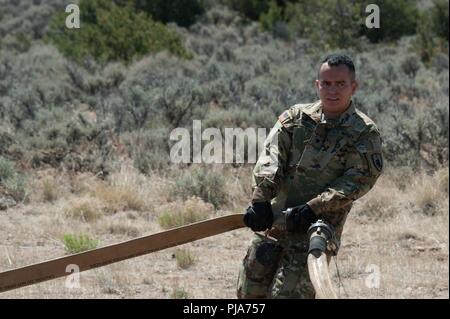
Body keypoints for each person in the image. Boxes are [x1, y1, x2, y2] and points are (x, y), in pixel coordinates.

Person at [237, 53, 384, 299]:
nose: (332, 90)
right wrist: (260, 199)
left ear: (353, 87)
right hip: (274, 224)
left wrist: (313, 208)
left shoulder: (364, 133)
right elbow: (271, 155)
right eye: (326, 83)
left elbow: (358, 180)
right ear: (317, 85)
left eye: (340, 84)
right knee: (249, 295)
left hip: (315, 232)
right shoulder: (296, 117)